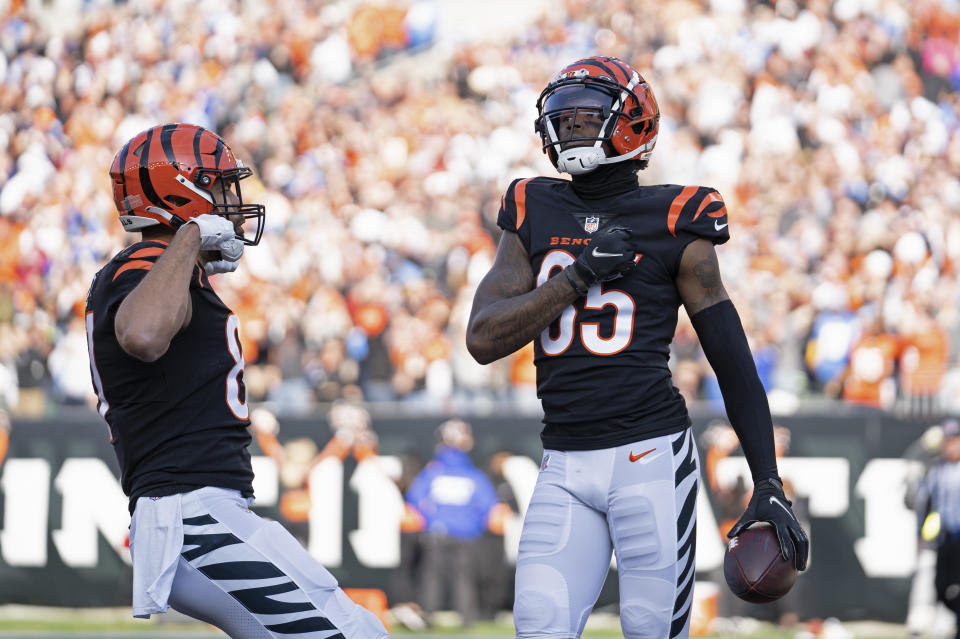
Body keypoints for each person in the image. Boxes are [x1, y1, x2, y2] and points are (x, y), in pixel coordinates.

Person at [465, 56, 809, 639]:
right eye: (564, 119)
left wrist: (768, 480)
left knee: (652, 632)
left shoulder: (676, 218)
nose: (571, 130)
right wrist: (574, 278)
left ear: (633, 124)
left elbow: (733, 365)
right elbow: (482, 339)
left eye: (586, 118)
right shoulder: (530, 205)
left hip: (648, 458)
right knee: (538, 628)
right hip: (564, 462)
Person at [84, 123, 390, 639]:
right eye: (219, 185)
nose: (231, 200)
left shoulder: (166, 270)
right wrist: (189, 239)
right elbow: (141, 334)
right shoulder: (144, 264)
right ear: (180, 191)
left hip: (206, 509)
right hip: (193, 514)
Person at [404, 418, 506, 627]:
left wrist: (432, 519)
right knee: (464, 579)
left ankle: (428, 617)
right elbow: (488, 507)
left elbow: (414, 501)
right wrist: (473, 524)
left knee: (432, 579)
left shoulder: (432, 473)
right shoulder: (472, 474)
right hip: (466, 536)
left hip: (437, 534)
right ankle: (466, 619)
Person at [915, 419, 960, 638]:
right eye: (948, 441)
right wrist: (920, 534)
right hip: (945, 537)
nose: (951, 446)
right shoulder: (936, 469)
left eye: (955, 441)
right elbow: (924, 503)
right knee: (941, 586)